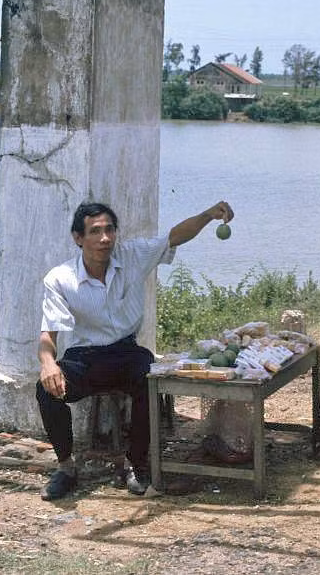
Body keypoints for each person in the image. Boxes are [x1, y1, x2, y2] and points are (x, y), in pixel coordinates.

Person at [36, 200, 234, 500]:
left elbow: (174, 237)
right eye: (95, 231)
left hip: (127, 352)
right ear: (78, 238)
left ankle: (136, 463)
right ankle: (66, 467)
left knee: (149, 380)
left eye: (109, 230)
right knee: (45, 389)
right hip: (84, 358)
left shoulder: (131, 255)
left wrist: (208, 215)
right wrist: (48, 363)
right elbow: (47, 335)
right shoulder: (60, 278)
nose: (105, 238)